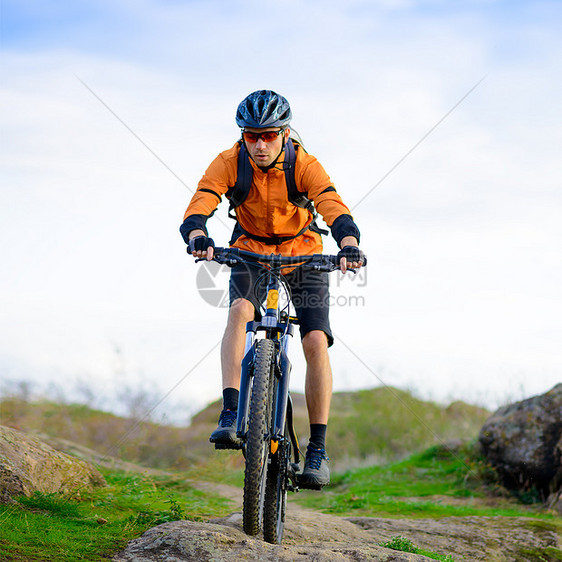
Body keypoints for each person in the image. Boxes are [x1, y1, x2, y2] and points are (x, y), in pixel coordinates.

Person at [180, 90, 365, 488]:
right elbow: (203, 200)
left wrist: (348, 243)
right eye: (251, 136)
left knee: (315, 341)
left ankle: (317, 447)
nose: (260, 144)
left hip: (305, 254)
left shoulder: (304, 163)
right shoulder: (230, 162)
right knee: (239, 313)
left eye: (268, 135)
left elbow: (331, 203)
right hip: (249, 251)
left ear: (283, 133)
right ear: (242, 136)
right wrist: (197, 233)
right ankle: (231, 413)